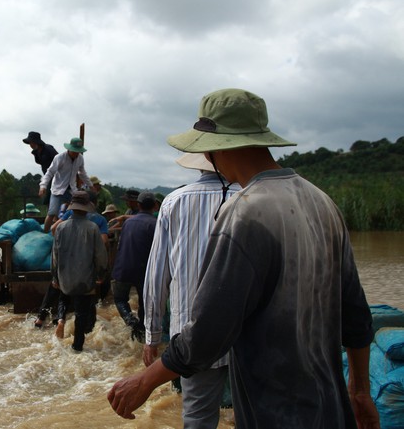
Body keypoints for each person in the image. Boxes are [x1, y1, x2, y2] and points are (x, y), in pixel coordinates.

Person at [108, 88, 379, 429]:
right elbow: (356, 316)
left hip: (275, 410)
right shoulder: (322, 202)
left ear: (211, 149)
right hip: (330, 407)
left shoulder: (244, 212)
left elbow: (209, 331)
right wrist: (359, 390)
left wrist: (145, 381)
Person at [143, 152, 240, 429]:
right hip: (246, 334)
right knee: (251, 413)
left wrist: (152, 335)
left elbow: (156, 276)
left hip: (192, 337)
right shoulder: (250, 196)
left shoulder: (174, 202)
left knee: (198, 417)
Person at [51, 191, 108, 352]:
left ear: (72, 208)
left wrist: (55, 277)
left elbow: (54, 255)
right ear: (86, 208)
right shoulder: (93, 228)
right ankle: (77, 346)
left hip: (65, 278)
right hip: (85, 280)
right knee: (81, 314)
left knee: (65, 298)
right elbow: (100, 255)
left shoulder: (61, 228)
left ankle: (60, 322)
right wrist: (101, 274)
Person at [110, 191, 157, 343]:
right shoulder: (156, 224)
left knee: (119, 299)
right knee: (145, 302)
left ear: (138, 205)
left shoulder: (129, 222)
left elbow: (121, 245)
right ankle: (142, 330)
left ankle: (132, 322)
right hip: (145, 270)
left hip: (123, 267)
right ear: (155, 206)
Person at [39, 137, 93, 233]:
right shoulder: (60, 158)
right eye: (74, 151)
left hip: (72, 189)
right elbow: (50, 172)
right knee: (52, 213)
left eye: (78, 152)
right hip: (58, 189)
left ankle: (74, 231)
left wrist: (90, 185)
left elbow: (82, 173)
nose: (76, 154)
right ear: (69, 149)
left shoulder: (80, 158)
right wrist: (43, 186)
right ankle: (44, 232)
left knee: (78, 210)